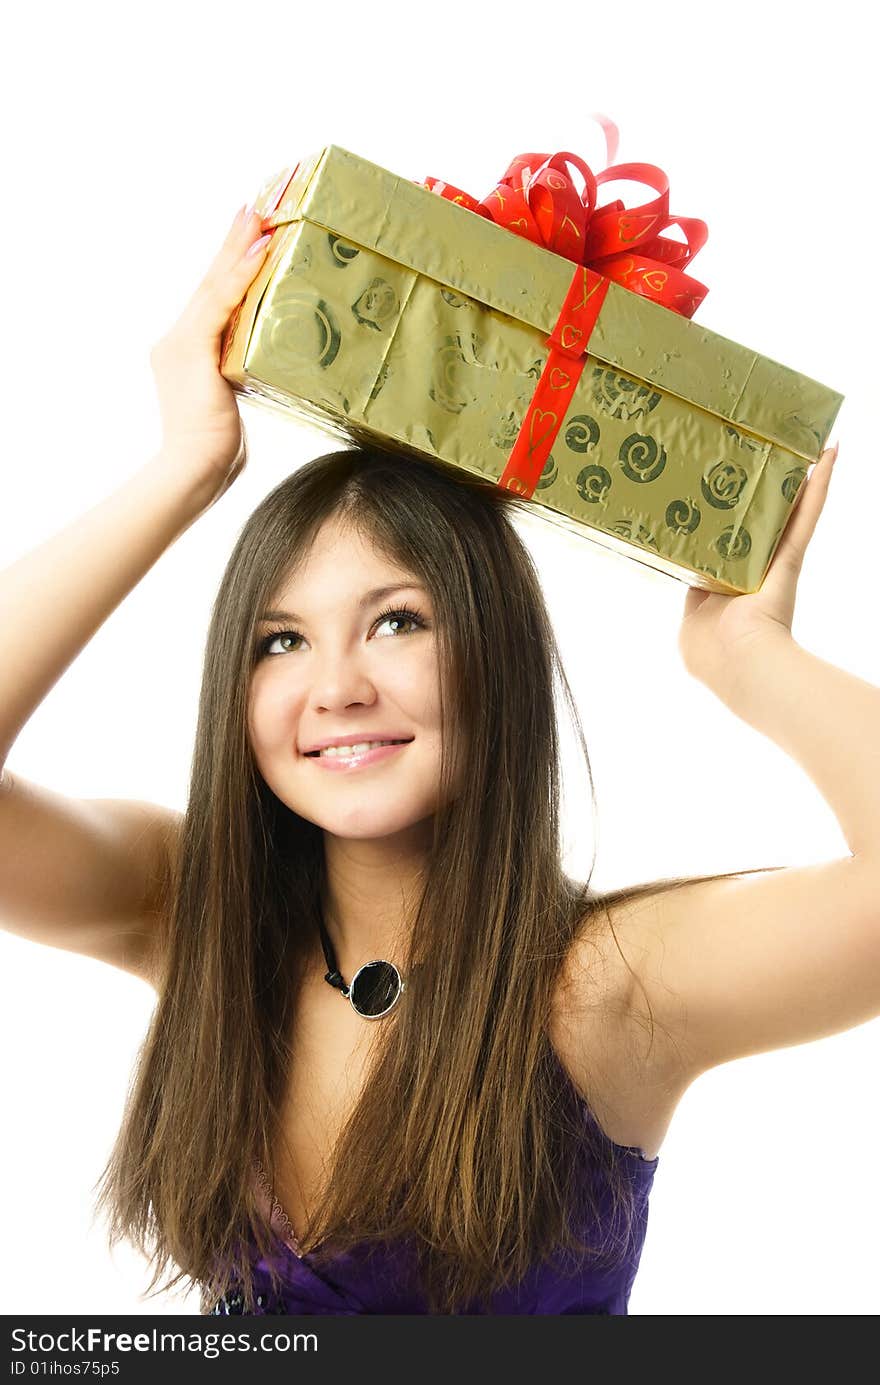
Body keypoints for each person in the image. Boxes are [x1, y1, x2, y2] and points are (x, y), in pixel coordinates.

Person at [1, 205, 877, 1317]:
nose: (337, 685)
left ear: (494, 654)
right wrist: (185, 464)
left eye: (398, 621)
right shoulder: (189, 909)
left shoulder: (606, 988)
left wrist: (749, 655)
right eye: (280, 640)